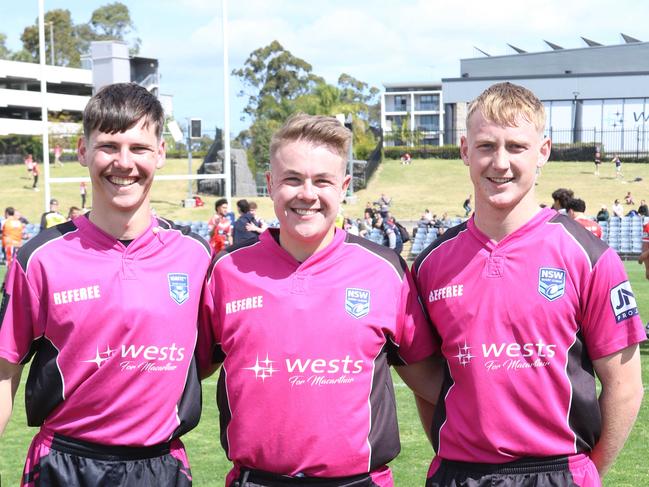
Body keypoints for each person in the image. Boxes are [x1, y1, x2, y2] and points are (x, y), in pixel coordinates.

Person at [413, 82, 645, 487]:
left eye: (516, 147)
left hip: (558, 471)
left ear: (543, 151)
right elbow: (426, 381)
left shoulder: (589, 256)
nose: (500, 163)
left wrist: (585, 473)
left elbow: (625, 387)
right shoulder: (432, 264)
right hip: (458, 474)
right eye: (486, 146)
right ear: (465, 150)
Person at [197, 113, 441, 487]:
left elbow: (429, 381)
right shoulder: (228, 271)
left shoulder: (383, 270)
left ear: (343, 186)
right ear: (270, 184)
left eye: (322, 181)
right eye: (292, 179)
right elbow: (186, 373)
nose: (307, 194)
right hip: (257, 480)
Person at [0, 82, 212, 486]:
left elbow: (209, 353)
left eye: (139, 148)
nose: (124, 162)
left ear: (161, 154)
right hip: (66, 465)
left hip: (161, 466)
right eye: (109, 147)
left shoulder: (195, 256)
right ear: (83, 151)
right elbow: (4, 372)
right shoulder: (40, 258)